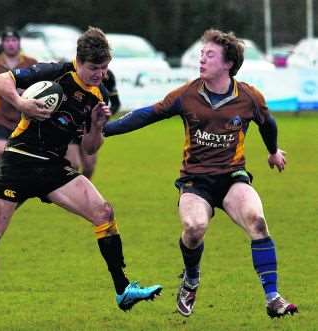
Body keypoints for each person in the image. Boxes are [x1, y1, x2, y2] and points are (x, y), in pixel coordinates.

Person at [0, 28, 162, 327]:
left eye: (104, 67)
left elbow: (89, 147)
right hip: (18, 162)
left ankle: (123, 289)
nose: (100, 73)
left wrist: (98, 125)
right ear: (79, 61)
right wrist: (21, 104)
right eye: (94, 68)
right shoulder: (57, 71)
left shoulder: (96, 95)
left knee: (104, 212)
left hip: (53, 167)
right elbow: (0, 80)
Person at [103, 29, 298, 318]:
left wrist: (273, 151)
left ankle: (273, 297)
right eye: (201, 54)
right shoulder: (187, 95)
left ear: (228, 63)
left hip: (233, 177)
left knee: (257, 221)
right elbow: (147, 114)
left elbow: (267, 123)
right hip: (195, 181)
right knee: (194, 229)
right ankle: (191, 279)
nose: (202, 60)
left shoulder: (248, 97)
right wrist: (104, 129)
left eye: (209, 55)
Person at [0, 26, 38, 163]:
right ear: (2, 43)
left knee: (26, 157)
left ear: (19, 42)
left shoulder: (31, 63)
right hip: (2, 118)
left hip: (27, 118)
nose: (11, 43)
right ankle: (2, 181)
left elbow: (43, 86)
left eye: (14, 40)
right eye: (7, 40)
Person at [65, 69, 121, 179]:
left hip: (90, 127)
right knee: (73, 165)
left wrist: (103, 117)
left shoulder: (108, 77)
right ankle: (69, 192)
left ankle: (83, 194)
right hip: (71, 126)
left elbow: (116, 104)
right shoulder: (73, 73)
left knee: (89, 166)